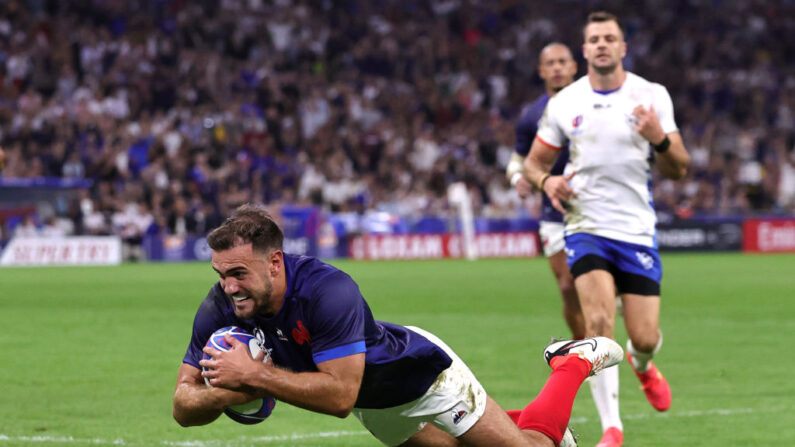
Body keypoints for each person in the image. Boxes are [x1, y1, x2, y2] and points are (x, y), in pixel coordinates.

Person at [173, 204, 624, 447]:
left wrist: (254, 375)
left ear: (274, 262)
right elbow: (182, 406)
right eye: (221, 275)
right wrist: (222, 391)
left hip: (420, 377)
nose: (228, 288)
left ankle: (572, 363)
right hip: (378, 406)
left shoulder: (328, 291)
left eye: (238, 274)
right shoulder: (222, 305)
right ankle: (514, 419)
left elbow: (339, 398)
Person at [523, 11, 691, 447]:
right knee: (597, 324)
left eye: (609, 38)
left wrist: (659, 137)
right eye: (594, 38)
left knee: (644, 336)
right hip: (585, 226)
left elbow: (681, 167)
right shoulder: (565, 104)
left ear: (622, 47)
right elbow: (534, 163)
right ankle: (611, 429)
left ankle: (643, 363)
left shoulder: (651, 96)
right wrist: (547, 181)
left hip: (636, 230)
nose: (601, 44)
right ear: (585, 49)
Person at [508, 42, 623, 447]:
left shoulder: (597, 105)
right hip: (555, 213)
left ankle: (596, 343)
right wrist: (518, 178)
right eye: (549, 64)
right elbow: (520, 158)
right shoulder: (531, 115)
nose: (557, 69)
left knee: (593, 294)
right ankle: (584, 353)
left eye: (562, 62)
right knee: (565, 287)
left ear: (573, 66)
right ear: (541, 71)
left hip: (600, 210)